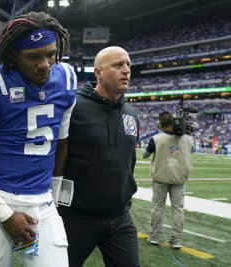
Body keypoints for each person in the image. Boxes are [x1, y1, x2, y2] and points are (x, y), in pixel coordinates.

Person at [0, 11, 76, 267]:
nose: (45, 63)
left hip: (42, 203)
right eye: (34, 56)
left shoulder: (65, 79)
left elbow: (61, 144)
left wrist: (54, 196)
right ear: (13, 54)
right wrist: (6, 215)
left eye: (51, 54)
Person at [58, 46, 140, 267]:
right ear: (98, 73)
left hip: (119, 217)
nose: (126, 70)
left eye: (128, 65)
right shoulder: (74, 107)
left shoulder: (131, 114)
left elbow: (129, 162)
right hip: (76, 217)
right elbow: (56, 157)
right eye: (118, 65)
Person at [143, 112, 193, 249]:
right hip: (179, 178)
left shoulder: (156, 138)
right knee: (178, 209)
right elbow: (191, 150)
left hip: (161, 177)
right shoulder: (188, 139)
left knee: (158, 206)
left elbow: (145, 155)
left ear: (161, 124)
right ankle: (176, 239)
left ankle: (154, 236)